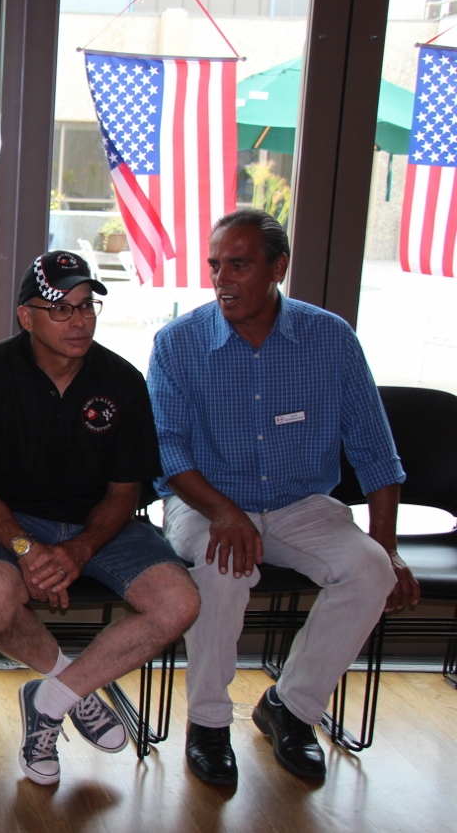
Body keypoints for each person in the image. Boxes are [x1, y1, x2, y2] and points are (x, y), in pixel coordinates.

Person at [147, 208, 421, 785]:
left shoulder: (330, 338)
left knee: (369, 570)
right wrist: (224, 513)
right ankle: (209, 724)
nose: (222, 280)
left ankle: (291, 709)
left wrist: (389, 548)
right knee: (223, 568)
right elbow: (167, 452)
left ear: (278, 267)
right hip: (205, 502)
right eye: (215, 265)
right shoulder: (179, 343)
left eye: (239, 266)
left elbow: (376, 450)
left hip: (301, 502)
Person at [0, 250, 200, 786]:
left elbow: (124, 490)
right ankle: (69, 684)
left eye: (87, 306)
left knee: (179, 602)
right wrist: (26, 548)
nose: (79, 320)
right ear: (26, 316)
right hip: (8, 521)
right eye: (60, 308)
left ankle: (52, 699)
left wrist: (79, 550)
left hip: (99, 526)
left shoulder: (122, 379)